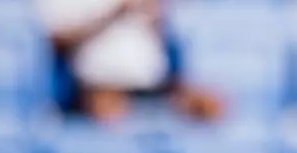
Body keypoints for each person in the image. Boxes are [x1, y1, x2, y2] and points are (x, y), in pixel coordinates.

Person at [37, 0, 223, 124]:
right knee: (111, 112)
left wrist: (155, 13)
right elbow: (57, 41)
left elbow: (167, 38)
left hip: (152, 83)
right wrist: (113, 13)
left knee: (210, 107)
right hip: (96, 84)